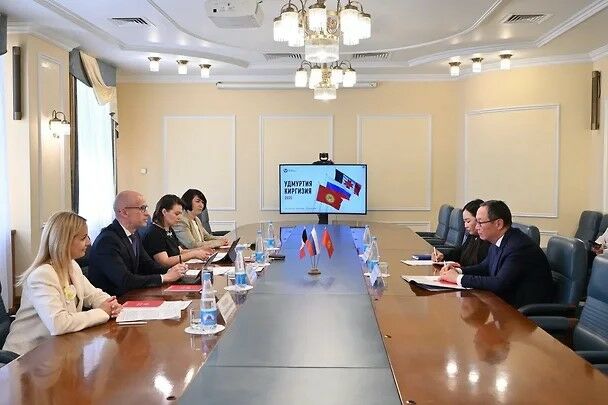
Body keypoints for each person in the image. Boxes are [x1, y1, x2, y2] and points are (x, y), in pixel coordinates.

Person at [3, 212, 122, 356]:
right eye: (83, 238)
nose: (88, 242)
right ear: (64, 241)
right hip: (26, 357)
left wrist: (110, 305)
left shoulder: (72, 266)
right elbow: (58, 324)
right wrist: (102, 312)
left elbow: (93, 294)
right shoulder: (42, 275)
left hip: (58, 350)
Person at [439, 200, 553, 308]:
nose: (477, 227)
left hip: (523, 313)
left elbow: (499, 283)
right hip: (505, 305)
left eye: (480, 222)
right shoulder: (499, 240)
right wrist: (458, 271)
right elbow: (485, 267)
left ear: (498, 223)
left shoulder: (519, 247)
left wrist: (458, 278)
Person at [87, 191, 187, 297]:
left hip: (132, 294)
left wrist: (172, 271)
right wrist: (164, 277)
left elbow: (147, 265)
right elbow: (125, 280)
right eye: (142, 208)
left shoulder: (134, 234)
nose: (147, 213)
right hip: (114, 300)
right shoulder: (107, 241)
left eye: (146, 208)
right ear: (124, 212)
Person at [142, 194, 213, 267]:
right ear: (164, 212)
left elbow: (180, 251)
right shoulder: (154, 233)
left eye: (180, 214)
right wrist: (193, 254)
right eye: (176, 214)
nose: (180, 217)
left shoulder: (169, 229)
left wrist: (199, 250)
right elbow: (164, 262)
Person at [432, 199, 491, 267]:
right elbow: (460, 252)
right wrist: (443, 256)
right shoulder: (472, 236)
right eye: (464, 222)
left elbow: (480, 268)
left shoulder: (487, 241)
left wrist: (460, 270)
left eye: (468, 221)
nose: (465, 226)